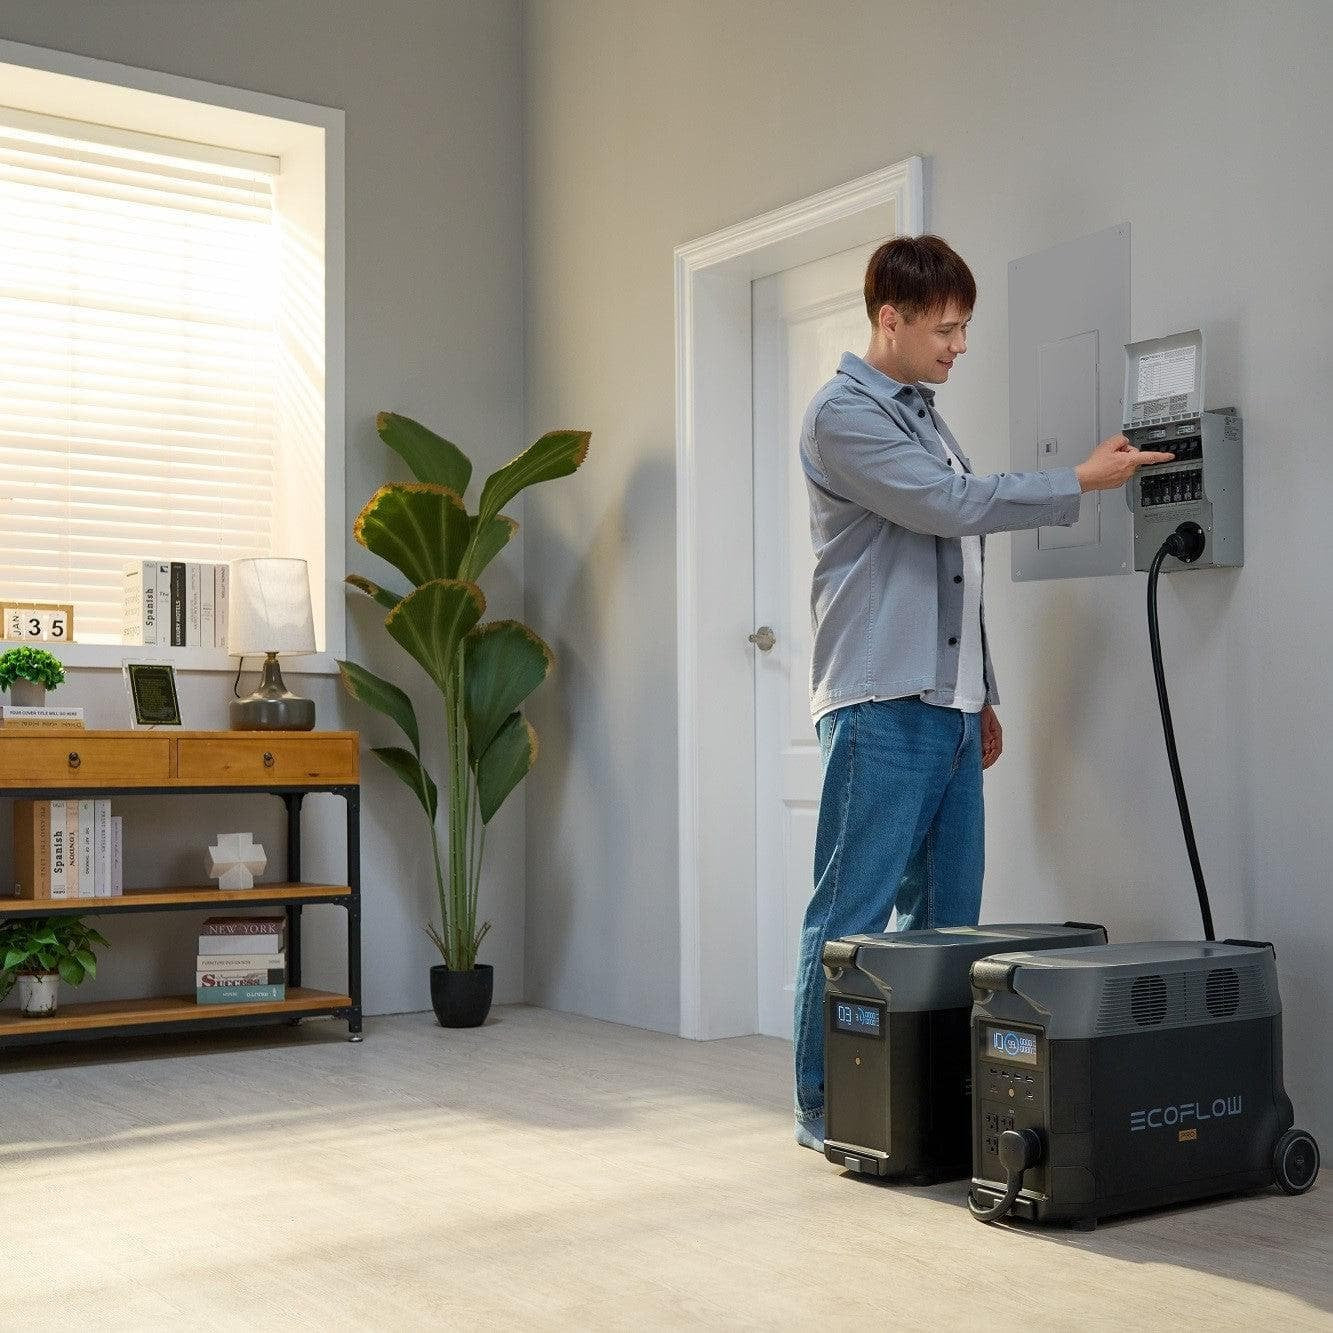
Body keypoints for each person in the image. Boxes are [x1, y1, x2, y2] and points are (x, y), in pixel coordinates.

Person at [792, 235, 1171, 1151]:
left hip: (947, 707)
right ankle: (821, 1102)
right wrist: (1077, 481)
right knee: (850, 916)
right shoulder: (842, 415)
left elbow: (955, 565)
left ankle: (919, 1100)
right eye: (946, 329)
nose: (959, 346)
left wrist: (981, 693)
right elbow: (950, 509)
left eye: (963, 328)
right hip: (880, 702)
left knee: (947, 924)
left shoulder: (921, 411)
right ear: (891, 318)